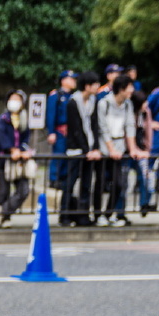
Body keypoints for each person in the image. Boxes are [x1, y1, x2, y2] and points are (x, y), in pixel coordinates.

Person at [96, 75, 142, 226]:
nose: (132, 90)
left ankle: (109, 213)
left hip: (120, 147)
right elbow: (103, 128)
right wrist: (110, 149)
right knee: (100, 183)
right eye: (129, 87)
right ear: (121, 89)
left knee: (119, 183)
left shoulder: (127, 104)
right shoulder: (104, 103)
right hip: (104, 148)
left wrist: (132, 148)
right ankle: (97, 215)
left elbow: (130, 126)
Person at [59, 71, 102, 227]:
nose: (97, 87)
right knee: (70, 183)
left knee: (86, 184)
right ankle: (64, 215)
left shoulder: (94, 101)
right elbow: (75, 128)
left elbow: (95, 125)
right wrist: (86, 150)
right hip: (76, 149)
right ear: (87, 86)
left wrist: (95, 148)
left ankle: (83, 215)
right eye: (95, 84)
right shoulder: (73, 102)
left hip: (90, 149)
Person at [0, 90, 34, 227]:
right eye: (12, 98)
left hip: (20, 161)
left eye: (17, 99)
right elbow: (1, 137)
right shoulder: (3, 119)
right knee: (3, 191)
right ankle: (4, 219)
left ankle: (3, 211)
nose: (14, 102)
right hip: (4, 159)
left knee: (23, 190)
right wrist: (11, 149)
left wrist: (22, 151)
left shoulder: (25, 120)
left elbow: (26, 139)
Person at [45, 70, 77, 187]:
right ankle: (54, 179)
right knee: (59, 155)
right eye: (71, 79)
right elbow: (51, 114)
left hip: (71, 131)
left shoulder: (73, 96)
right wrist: (51, 132)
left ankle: (63, 179)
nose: (74, 81)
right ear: (63, 81)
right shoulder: (56, 95)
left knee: (68, 156)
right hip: (60, 131)